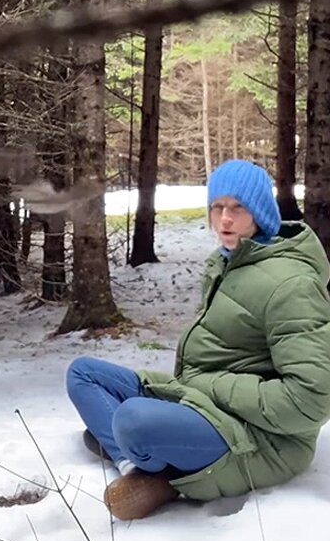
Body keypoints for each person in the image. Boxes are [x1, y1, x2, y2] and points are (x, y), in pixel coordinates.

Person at [66, 159, 330, 520]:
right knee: (84, 374)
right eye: (217, 207)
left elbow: (309, 402)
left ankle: (150, 460)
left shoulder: (291, 284)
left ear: (260, 213)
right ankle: (136, 466)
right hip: (202, 402)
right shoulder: (228, 262)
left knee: (131, 420)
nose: (225, 219)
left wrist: (212, 384)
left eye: (238, 208)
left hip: (260, 439)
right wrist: (201, 387)